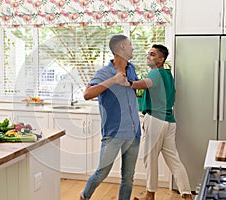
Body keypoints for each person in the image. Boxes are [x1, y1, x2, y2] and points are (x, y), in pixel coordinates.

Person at [80, 35, 141, 200]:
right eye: (130, 45)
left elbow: (133, 89)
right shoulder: (104, 72)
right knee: (102, 173)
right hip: (114, 132)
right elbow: (87, 94)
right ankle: (84, 196)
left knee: (128, 177)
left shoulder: (131, 68)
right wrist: (113, 80)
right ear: (121, 47)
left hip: (134, 132)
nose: (132, 48)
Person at [130, 44, 193, 200]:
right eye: (148, 53)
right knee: (174, 160)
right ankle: (187, 194)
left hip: (156, 121)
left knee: (150, 158)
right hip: (169, 121)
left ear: (161, 59)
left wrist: (126, 82)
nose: (148, 56)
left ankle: (150, 195)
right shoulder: (167, 74)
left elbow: (142, 85)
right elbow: (172, 96)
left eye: (152, 54)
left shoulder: (155, 72)